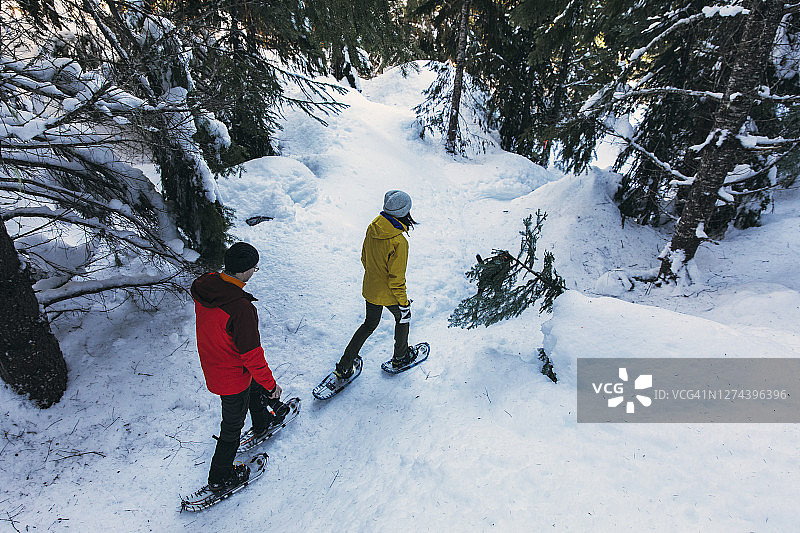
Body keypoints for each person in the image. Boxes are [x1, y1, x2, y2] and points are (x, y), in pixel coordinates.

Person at [191, 242, 288, 491]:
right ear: (244, 270)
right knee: (232, 426)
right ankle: (219, 476)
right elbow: (252, 356)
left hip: (215, 362)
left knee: (253, 385)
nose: (255, 272)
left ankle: (262, 421)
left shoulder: (208, 284)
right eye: (255, 268)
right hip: (230, 375)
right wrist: (272, 386)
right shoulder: (241, 309)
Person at [334, 190, 421, 380]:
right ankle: (400, 357)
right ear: (403, 212)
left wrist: (374, 277)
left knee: (369, 324)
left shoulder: (373, 227)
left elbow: (364, 257)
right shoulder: (399, 241)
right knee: (403, 318)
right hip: (388, 293)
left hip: (371, 289)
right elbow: (396, 279)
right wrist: (404, 303)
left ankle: (343, 366)